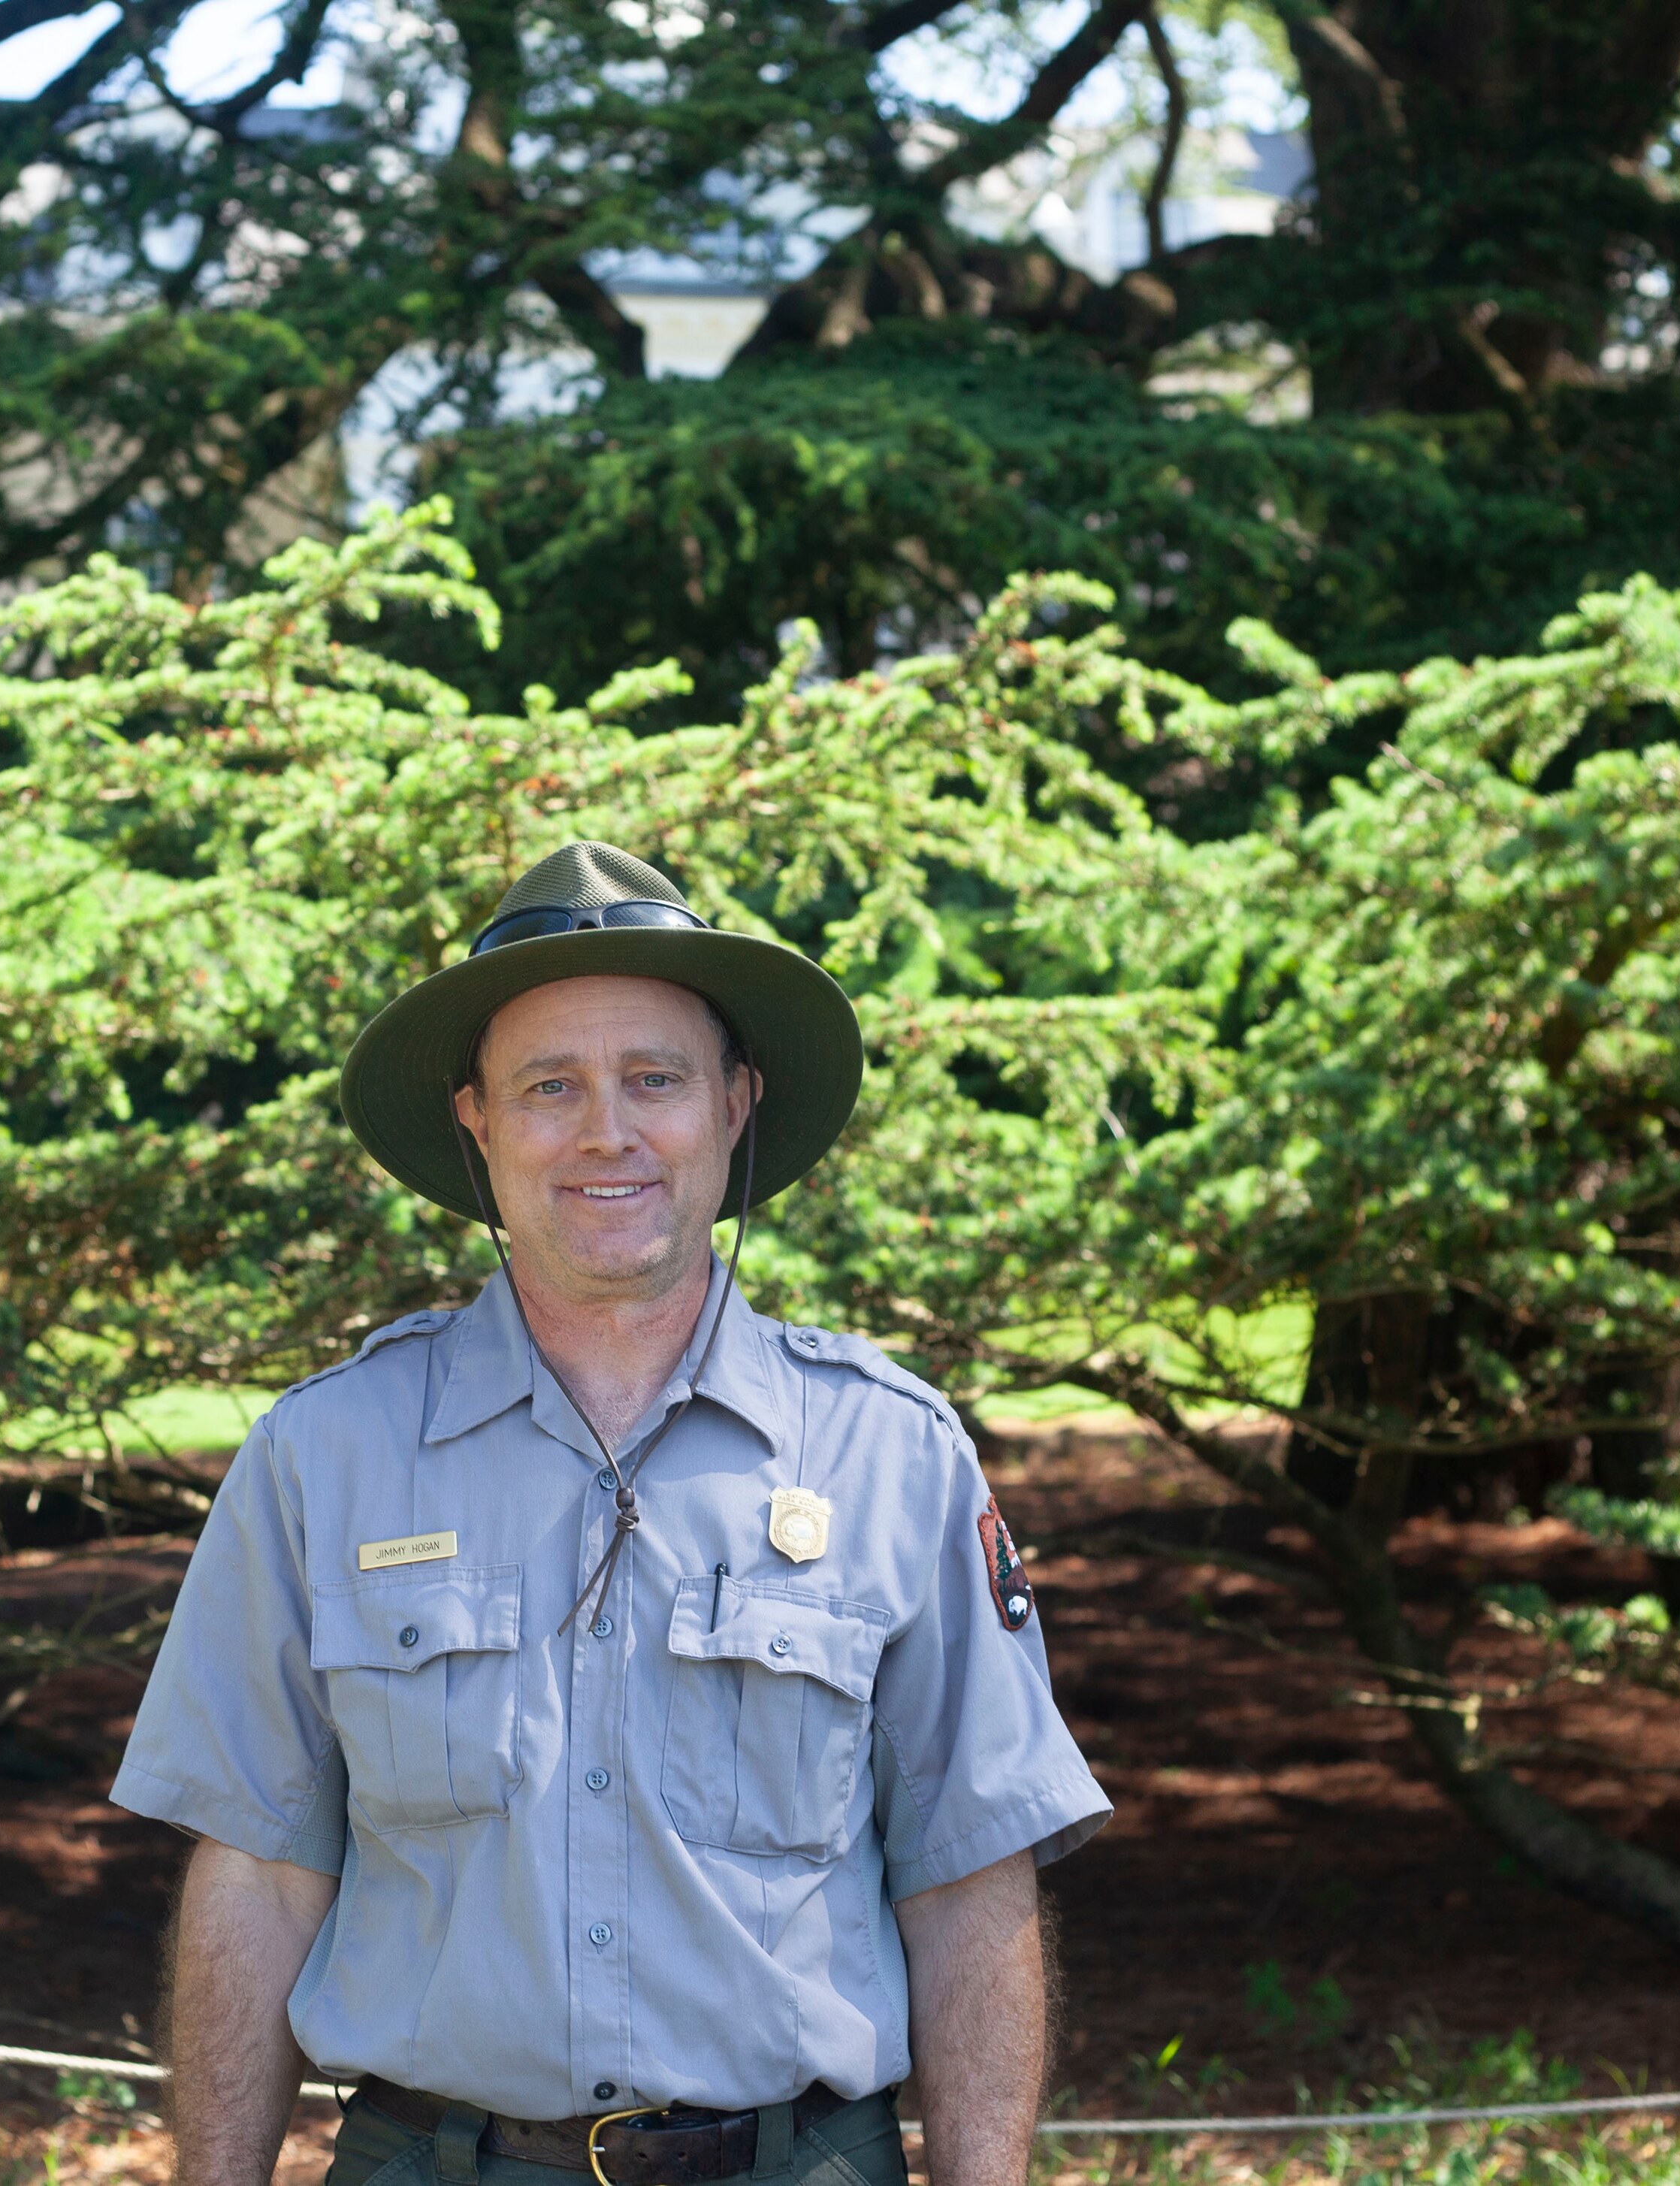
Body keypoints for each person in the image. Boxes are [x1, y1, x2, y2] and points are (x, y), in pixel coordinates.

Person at [110, 842, 1110, 2186]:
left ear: (735, 1103)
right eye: (549, 1087)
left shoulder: (891, 1452)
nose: (606, 1132)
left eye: (655, 1079)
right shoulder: (323, 1454)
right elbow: (257, 1873)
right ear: (476, 1117)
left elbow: (968, 1877)